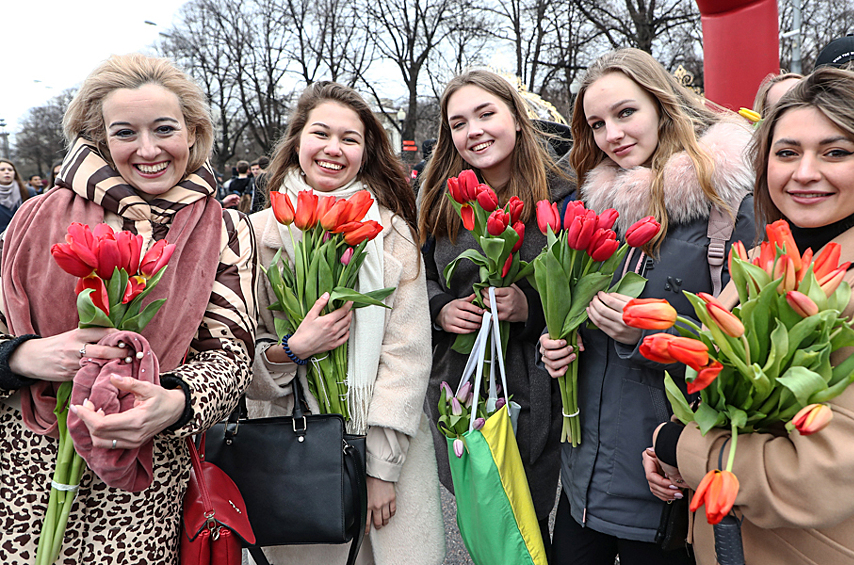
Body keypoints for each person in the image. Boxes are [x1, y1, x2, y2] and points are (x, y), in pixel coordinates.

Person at [648, 67, 854, 565]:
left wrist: (682, 449)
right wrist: (675, 456)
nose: (804, 172)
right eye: (786, 153)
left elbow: (821, 476)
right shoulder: (771, 262)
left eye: (836, 152)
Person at [0, 53, 256, 563]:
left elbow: (232, 354)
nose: (148, 150)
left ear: (193, 132)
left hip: (141, 480)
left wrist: (176, 401)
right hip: (22, 467)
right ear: (99, 138)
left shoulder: (223, 229)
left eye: (164, 129)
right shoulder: (33, 217)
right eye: (125, 133)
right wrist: (21, 357)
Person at [539, 47, 756, 565]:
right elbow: (585, 324)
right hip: (583, 474)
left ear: (661, 105)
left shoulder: (724, 206)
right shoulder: (595, 208)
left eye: (625, 112)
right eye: (596, 124)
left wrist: (643, 334)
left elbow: (746, 343)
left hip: (662, 470)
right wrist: (561, 345)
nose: (611, 134)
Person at [246, 81, 445, 565]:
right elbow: (236, 352)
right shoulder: (255, 234)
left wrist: (381, 468)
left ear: (365, 151)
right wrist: (293, 349)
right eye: (321, 133)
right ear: (297, 141)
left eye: (350, 138)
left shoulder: (390, 231)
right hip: (292, 449)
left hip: (382, 442)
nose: (334, 149)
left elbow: (408, 353)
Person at [418, 68, 575, 557]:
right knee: (485, 514)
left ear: (518, 118)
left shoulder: (562, 192)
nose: (474, 131)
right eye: (459, 123)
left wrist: (530, 308)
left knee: (527, 524)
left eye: (487, 114)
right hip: (462, 381)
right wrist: (441, 308)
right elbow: (414, 280)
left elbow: (581, 286)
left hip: (535, 384)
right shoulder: (440, 199)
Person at [0, 158, 32, 233]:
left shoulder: (28, 192)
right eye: (2, 170)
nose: (7, 172)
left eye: (10, 170)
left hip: (23, 237)